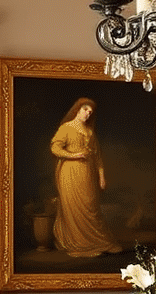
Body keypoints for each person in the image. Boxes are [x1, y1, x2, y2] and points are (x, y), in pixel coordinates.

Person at [50, 98, 121, 258]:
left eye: (90, 112)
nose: (87, 114)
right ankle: (80, 246)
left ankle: (98, 242)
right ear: (77, 110)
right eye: (85, 110)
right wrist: (73, 155)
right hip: (69, 173)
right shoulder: (66, 128)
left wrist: (101, 177)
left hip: (87, 175)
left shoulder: (89, 132)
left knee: (90, 208)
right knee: (74, 208)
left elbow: (98, 158)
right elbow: (55, 148)